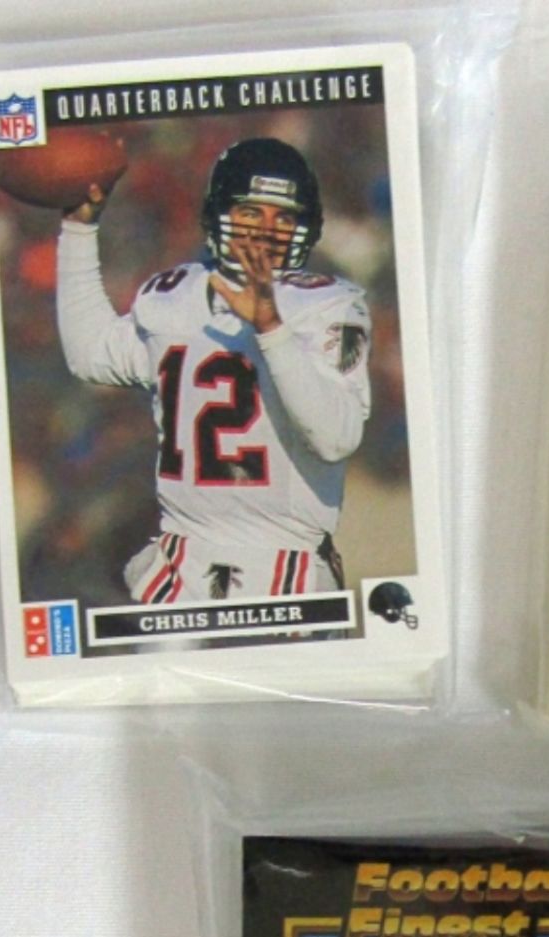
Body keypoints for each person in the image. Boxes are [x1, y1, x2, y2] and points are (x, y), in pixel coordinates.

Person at [56, 137, 371, 607]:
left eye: (284, 218)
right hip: (178, 563)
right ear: (219, 213)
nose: (267, 231)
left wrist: (271, 327)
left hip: (286, 565)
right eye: (251, 212)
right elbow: (91, 355)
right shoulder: (176, 294)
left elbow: (335, 437)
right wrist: (78, 231)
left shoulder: (325, 304)